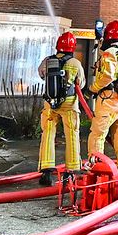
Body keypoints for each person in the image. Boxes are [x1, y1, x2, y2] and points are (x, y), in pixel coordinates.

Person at [37, 31, 86, 187]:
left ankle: (46, 171)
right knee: (71, 135)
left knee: (48, 134)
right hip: (69, 104)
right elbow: (81, 83)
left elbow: (41, 75)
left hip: (50, 103)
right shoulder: (75, 63)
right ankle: (71, 171)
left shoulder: (47, 60)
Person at [86, 20, 118, 163]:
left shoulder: (109, 53)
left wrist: (93, 88)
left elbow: (108, 76)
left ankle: (96, 165)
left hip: (107, 99)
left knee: (98, 134)